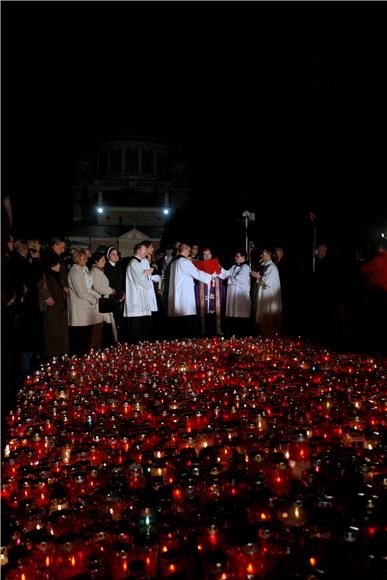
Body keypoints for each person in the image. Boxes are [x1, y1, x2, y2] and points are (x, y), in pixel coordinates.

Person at [168, 243, 212, 338]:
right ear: (184, 250)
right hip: (184, 295)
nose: (190, 252)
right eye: (188, 250)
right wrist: (210, 276)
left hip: (176, 295)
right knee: (188, 324)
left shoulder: (174, 262)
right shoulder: (184, 262)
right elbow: (195, 272)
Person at [67, 249, 100, 355]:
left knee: (86, 337)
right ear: (77, 259)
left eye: (86, 258)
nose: (86, 261)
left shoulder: (84, 269)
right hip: (79, 308)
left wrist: (96, 295)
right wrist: (94, 300)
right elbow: (80, 292)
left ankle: (84, 359)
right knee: (79, 338)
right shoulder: (74, 272)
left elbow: (89, 287)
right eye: (83, 259)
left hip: (87, 308)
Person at [38, 253, 69, 358]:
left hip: (59, 312)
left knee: (60, 340)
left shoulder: (57, 276)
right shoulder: (45, 276)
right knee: (53, 340)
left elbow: (61, 293)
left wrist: (64, 292)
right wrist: (47, 298)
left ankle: (60, 359)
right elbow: (43, 291)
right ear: (52, 264)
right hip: (52, 313)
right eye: (57, 264)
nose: (59, 266)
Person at [123, 242, 153, 343]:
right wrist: (146, 272)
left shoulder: (138, 263)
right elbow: (140, 280)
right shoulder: (134, 263)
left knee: (142, 325)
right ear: (138, 251)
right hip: (135, 299)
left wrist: (145, 273)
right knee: (136, 326)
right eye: (144, 250)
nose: (146, 252)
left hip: (140, 297)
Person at [219, 250, 251, 337]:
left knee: (240, 316)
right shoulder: (233, 267)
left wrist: (229, 277)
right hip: (232, 295)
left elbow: (240, 280)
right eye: (235, 256)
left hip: (240, 296)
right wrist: (218, 268)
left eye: (237, 256)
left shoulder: (246, 268)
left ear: (243, 257)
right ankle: (232, 334)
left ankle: (241, 335)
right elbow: (225, 274)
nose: (235, 258)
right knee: (232, 315)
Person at [251, 249, 282, 337]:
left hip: (269, 295)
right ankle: (264, 335)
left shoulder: (272, 267)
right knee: (263, 318)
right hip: (262, 294)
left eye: (263, 254)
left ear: (268, 255)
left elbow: (268, 282)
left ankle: (270, 336)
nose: (261, 256)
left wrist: (258, 276)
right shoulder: (264, 265)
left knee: (268, 317)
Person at [90, 251, 117, 348]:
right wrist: (111, 290)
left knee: (105, 325)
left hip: (103, 300)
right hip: (101, 302)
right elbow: (97, 286)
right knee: (102, 326)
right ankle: (103, 346)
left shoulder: (99, 271)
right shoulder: (95, 272)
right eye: (102, 260)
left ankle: (105, 345)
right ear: (96, 261)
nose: (104, 262)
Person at [104, 246, 125, 340]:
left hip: (121, 296)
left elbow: (121, 282)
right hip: (112, 297)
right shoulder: (106, 268)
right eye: (113, 254)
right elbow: (109, 284)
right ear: (108, 256)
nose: (115, 256)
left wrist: (123, 293)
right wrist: (117, 295)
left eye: (117, 254)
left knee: (120, 321)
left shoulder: (119, 267)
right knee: (114, 321)